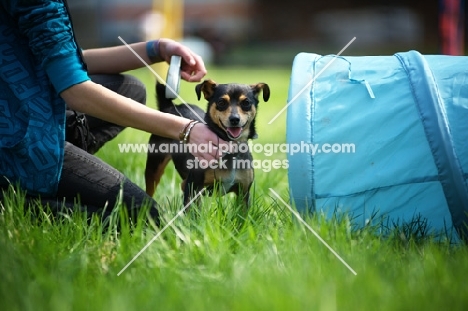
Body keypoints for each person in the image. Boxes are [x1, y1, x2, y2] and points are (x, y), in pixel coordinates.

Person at [0, 0, 227, 223]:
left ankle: (55, 178)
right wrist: (186, 128)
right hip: (14, 136)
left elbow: (65, 59)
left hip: (22, 104)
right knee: (142, 216)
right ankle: (18, 196)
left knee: (131, 89)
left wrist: (156, 48)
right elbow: (76, 91)